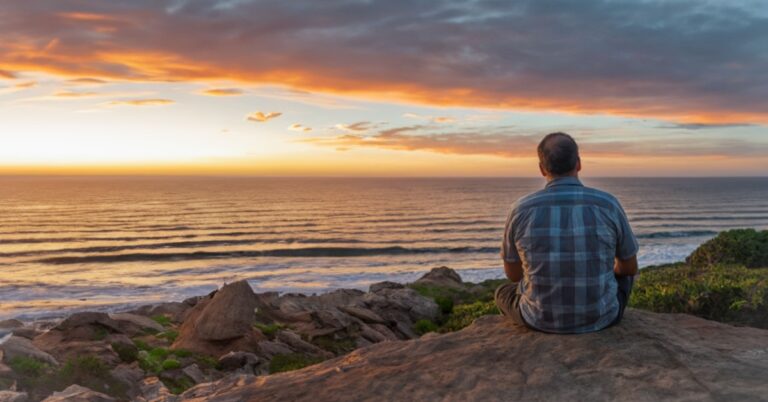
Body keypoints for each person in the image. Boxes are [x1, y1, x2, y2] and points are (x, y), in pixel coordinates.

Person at [496, 132, 638, 334]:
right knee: (624, 277)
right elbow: (630, 267)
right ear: (578, 164)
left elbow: (513, 275)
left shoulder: (520, 209)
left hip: (538, 320)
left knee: (502, 292)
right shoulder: (608, 204)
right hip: (603, 317)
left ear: (542, 169)